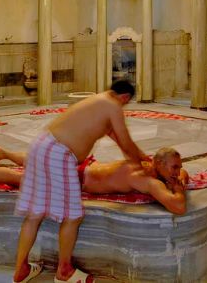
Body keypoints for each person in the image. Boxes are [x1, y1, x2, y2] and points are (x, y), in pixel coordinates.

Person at [9, 80, 148, 283]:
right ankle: (64, 271)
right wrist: (141, 167)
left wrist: (142, 158)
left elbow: (121, 141)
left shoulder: (99, 101)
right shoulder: (114, 106)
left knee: (34, 214)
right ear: (125, 97)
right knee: (73, 216)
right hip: (59, 153)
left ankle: (20, 270)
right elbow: (126, 141)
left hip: (42, 145)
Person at [0, 145, 188, 214]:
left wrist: (179, 179)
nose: (177, 172)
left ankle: (5, 154)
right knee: (24, 180)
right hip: (76, 178)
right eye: (174, 168)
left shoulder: (148, 162)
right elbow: (177, 207)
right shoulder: (150, 181)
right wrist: (179, 190)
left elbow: (181, 172)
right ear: (159, 163)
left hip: (85, 166)